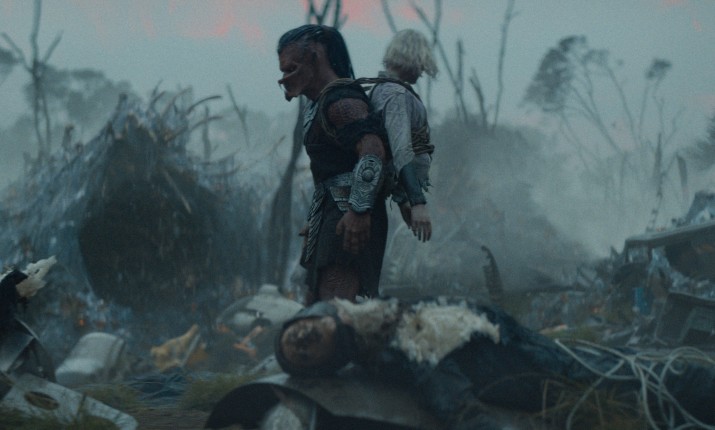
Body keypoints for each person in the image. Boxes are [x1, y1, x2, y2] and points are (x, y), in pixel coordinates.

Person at [275, 297, 715, 429]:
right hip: (538, 374)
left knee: (646, 372)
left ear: (313, 315)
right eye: (304, 355)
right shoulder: (387, 348)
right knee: (662, 386)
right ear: (327, 362)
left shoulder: (381, 315)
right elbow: (448, 396)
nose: (303, 342)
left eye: (297, 333)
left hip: (532, 351)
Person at [277, 25, 389, 305]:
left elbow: (373, 152)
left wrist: (358, 210)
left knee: (334, 310)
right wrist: (316, 221)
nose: (284, 79)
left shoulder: (342, 101)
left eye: (291, 68)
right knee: (316, 308)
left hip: (348, 218)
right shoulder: (321, 102)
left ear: (315, 57)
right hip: (332, 214)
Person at [370, 29, 438, 242]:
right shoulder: (396, 95)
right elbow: (400, 149)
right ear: (411, 59)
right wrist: (418, 202)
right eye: (421, 64)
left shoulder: (386, 90)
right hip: (372, 204)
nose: (422, 72)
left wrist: (402, 199)